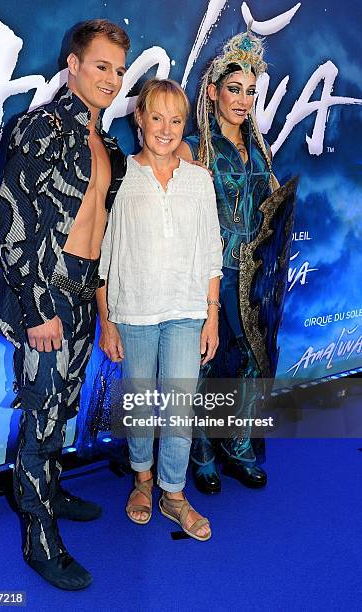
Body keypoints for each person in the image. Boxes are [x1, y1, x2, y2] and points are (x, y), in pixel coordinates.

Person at [0, 19, 129, 590]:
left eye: (118, 69)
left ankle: (50, 490)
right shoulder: (40, 127)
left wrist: (103, 311)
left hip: (83, 294)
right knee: (41, 422)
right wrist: (38, 309)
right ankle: (39, 539)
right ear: (73, 65)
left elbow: (100, 235)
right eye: (100, 66)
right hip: (41, 298)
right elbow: (8, 221)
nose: (111, 79)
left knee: (62, 409)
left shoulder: (107, 143)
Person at [96, 78, 223, 541]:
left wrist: (211, 315)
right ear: (139, 119)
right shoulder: (121, 176)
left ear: (184, 125)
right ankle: (142, 481)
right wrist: (107, 320)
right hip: (135, 312)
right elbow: (105, 255)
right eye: (156, 117)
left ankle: (173, 493)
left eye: (175, 120)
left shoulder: (200, 181)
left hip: (187, 311)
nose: (165, 129)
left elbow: (213, 251)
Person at [176, 26, 297, 493]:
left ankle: (238, 444)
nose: (243, 100)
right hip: (208, 275)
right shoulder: (192, 148)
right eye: (234, 89)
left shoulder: (260, 152)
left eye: (250, 91)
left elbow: (272, 215)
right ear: (213, 92)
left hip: (254, 278)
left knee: (250, 359)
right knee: (204, 362)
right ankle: (202, 448)